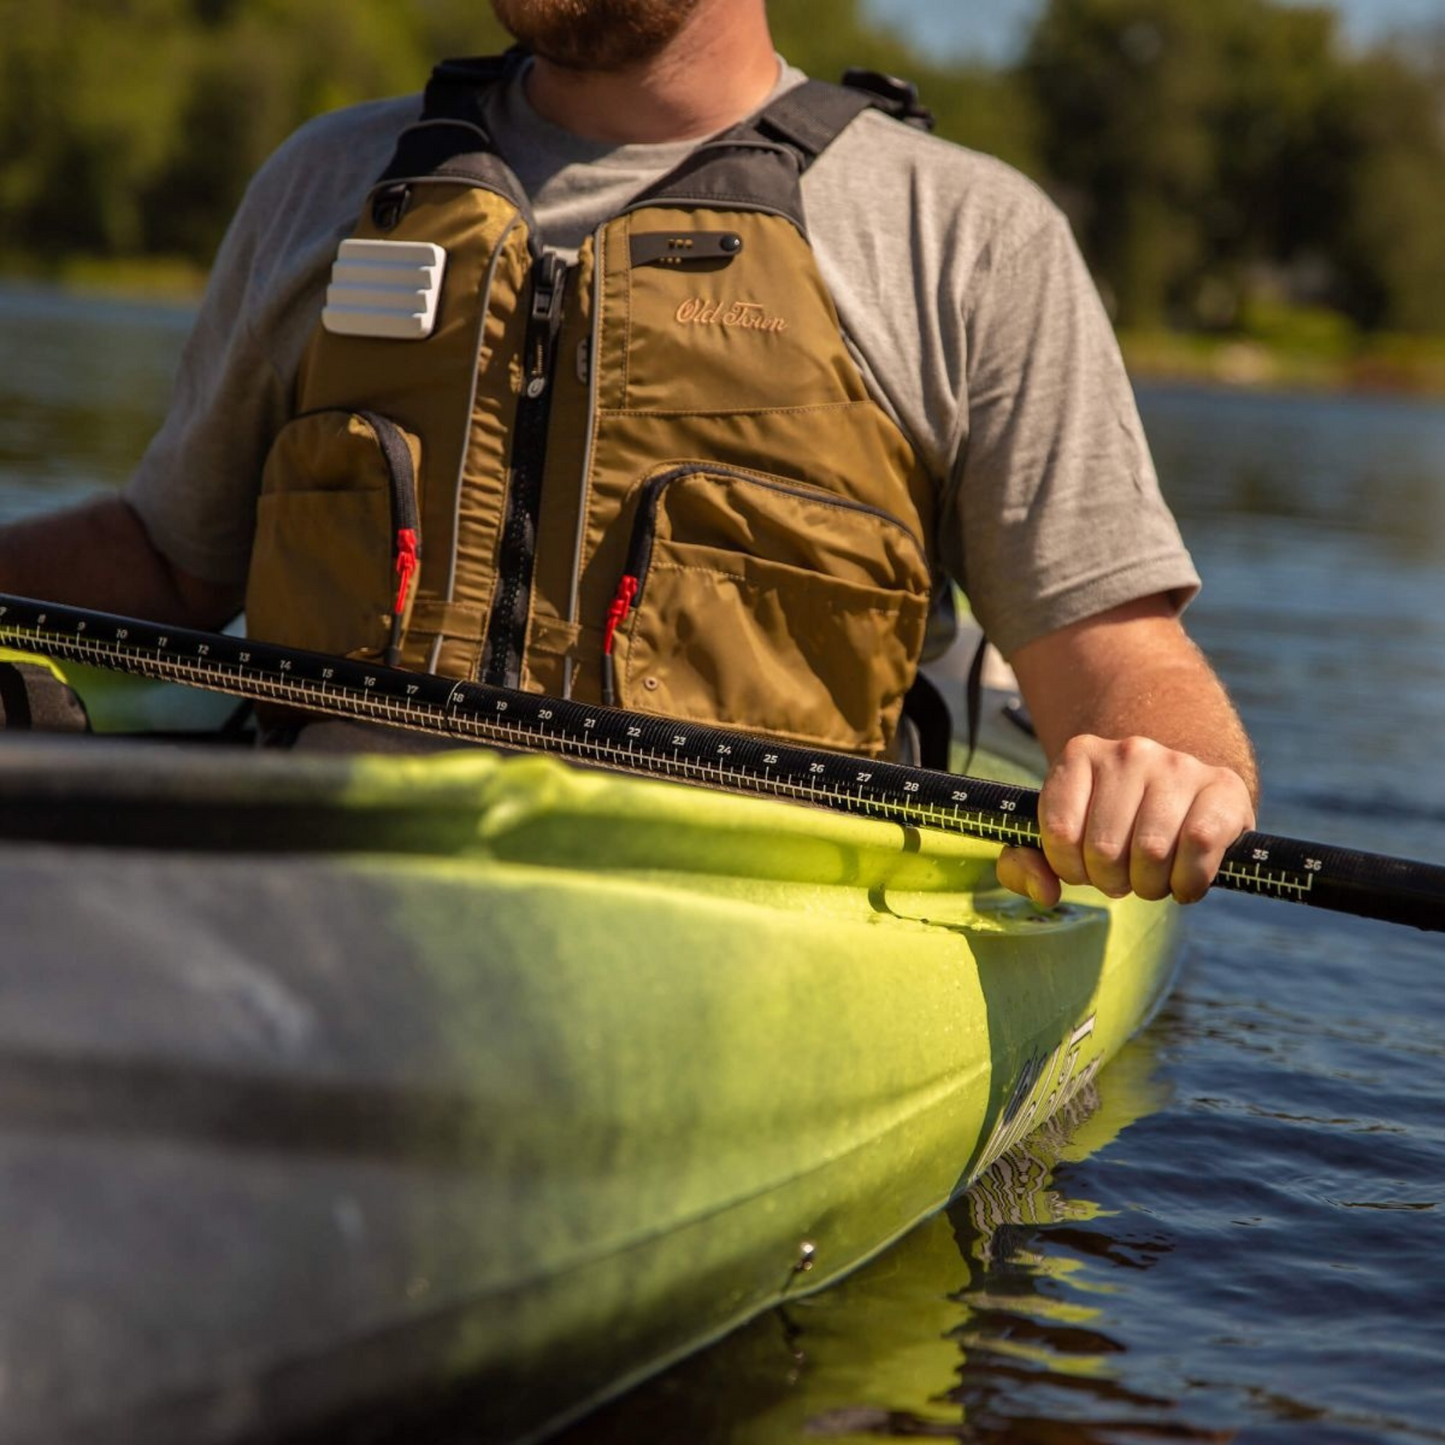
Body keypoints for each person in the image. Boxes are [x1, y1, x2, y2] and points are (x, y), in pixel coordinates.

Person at [0, 0, 1257, 909]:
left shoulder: (968, 239)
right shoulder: (324, 181)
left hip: (736, 930)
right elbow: (169, 564)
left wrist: (1170, 777)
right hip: (323, 888)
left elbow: (1118, 658)